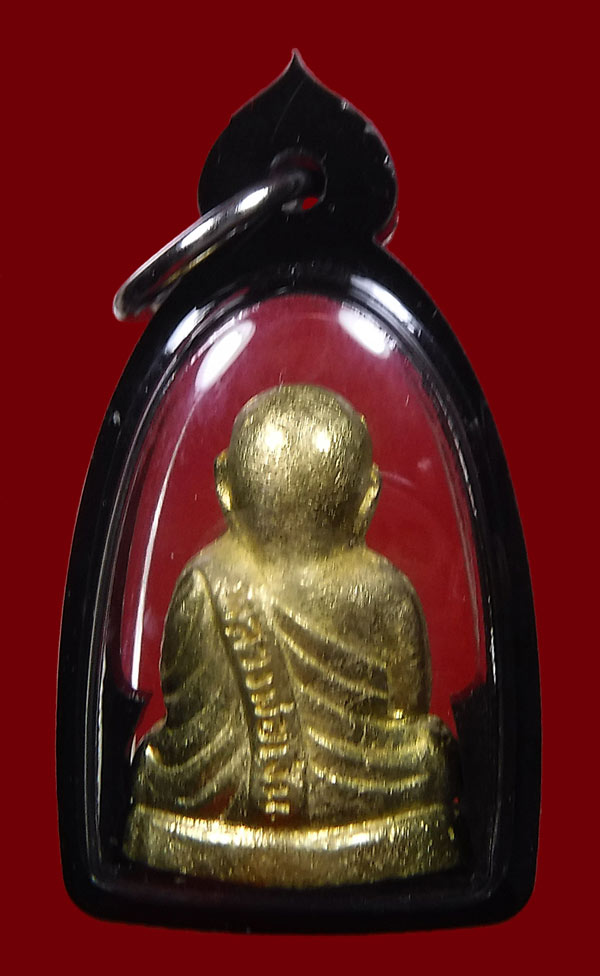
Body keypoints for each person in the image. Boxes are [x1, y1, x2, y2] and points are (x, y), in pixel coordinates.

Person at [124, 385, 461, 885]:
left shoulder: (200, 580)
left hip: (209, 800)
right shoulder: (386, 589)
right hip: (370, 794)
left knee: (152, 758)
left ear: (225, 487)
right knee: (430, 754)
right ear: (368, 496)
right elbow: (406, 708)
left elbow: (180, 701)